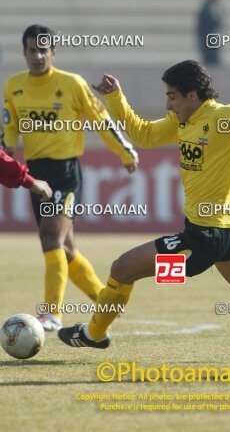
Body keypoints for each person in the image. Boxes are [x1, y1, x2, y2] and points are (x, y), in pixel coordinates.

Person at [58, 60, 230, 362]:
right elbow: (143, 136)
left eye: (172, 96)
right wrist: (115, 98)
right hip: (222, 236)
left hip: (205, 237)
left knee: (123, 268)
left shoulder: (226, 118)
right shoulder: (182, 122)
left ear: (192, 95)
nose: (168, 104)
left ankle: (94, 335)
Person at [2, 24, 139, 332]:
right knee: (65, 249)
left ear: (53, 52)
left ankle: (51, 313)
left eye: (42, 50)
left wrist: (126, 152)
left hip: (65, 174)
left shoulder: (72, 84)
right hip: (36, 174)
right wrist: (8, 150)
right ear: (23, 53)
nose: (37, 56)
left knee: (50, 238)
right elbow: (9, 126)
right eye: (31, 50)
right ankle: (105, 301)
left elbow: (101, 121)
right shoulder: (13, 86)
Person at [196, 0, 226, 66]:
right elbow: (217, 22)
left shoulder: (208, 8)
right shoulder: (208, 9)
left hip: (210, 42)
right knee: (212, 64)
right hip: (209, 43)